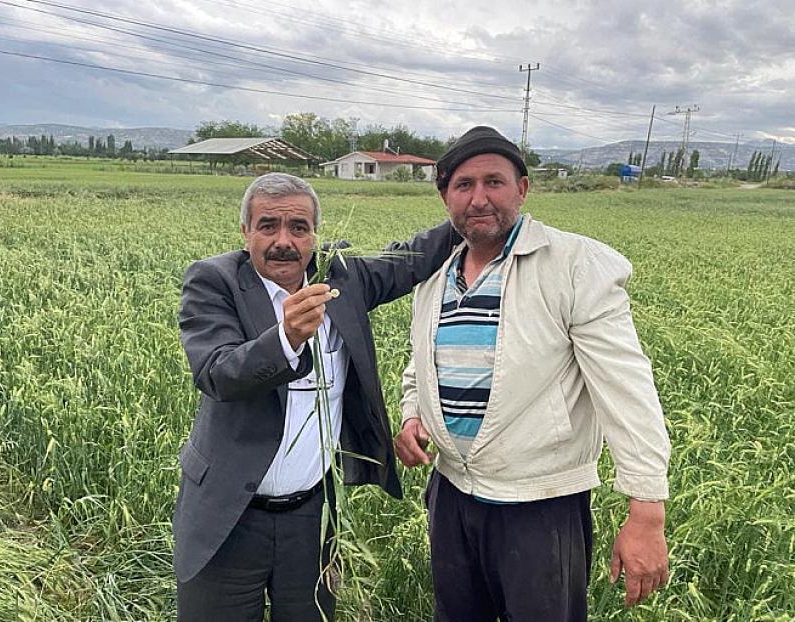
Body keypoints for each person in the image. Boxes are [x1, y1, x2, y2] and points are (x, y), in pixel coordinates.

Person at [394, 126, 671, 621]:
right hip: (452, 492)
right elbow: (423, 360)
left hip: (538, 502)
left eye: (494, 182)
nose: (479, 199)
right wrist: (414, 414)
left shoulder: (575, 265)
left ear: (522, 189)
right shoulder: (436, 272)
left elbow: (627, 388)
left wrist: (646, 509)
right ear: (445, 197)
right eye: (463, 185)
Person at [174, 172, 458, 621]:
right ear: (245, 232)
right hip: (229, 516)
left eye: (298, 227)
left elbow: (410, 259)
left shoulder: (340, 275)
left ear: (314, 235)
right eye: (268, 225)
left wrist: (471, 210)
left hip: (311, 517)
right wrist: (285, 338)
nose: (283, 240)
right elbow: (218, 373)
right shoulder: (215, 282)